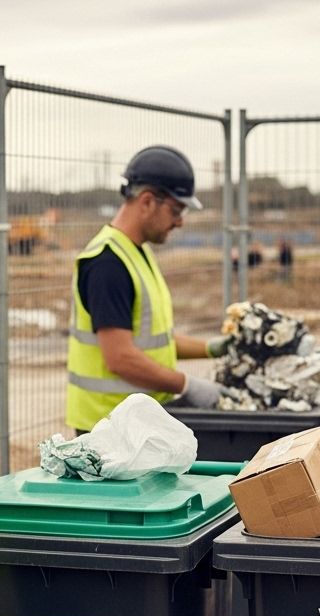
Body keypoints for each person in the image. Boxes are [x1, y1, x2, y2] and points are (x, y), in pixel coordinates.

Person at [66, 145, 230, 432]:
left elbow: (155, 342)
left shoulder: (136, 252)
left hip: (136, 426)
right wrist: (187, 385)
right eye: (176, 210)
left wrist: (213, 348)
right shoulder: (107, 263)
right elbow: (121, 358)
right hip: (108, 432)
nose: (179, 221)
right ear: (147, 201)